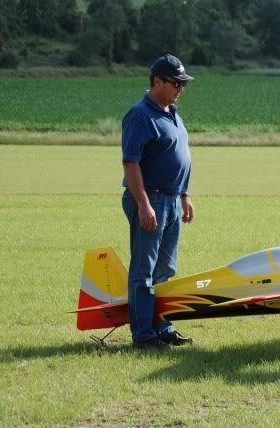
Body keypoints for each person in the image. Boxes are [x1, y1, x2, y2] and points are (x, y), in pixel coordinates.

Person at [121, 54, 196, 349]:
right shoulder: (140, 115)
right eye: (175, 82)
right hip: (150, 199)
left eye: (183, 83)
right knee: (144, 270)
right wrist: (143, 204)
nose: (180, 88)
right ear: (157, 82)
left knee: (165, 269)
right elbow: (131, 163)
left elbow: (180, 157)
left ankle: (162, 327)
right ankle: (143, 335)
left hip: (173, 200)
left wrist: (185, 195)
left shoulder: (173, 112)